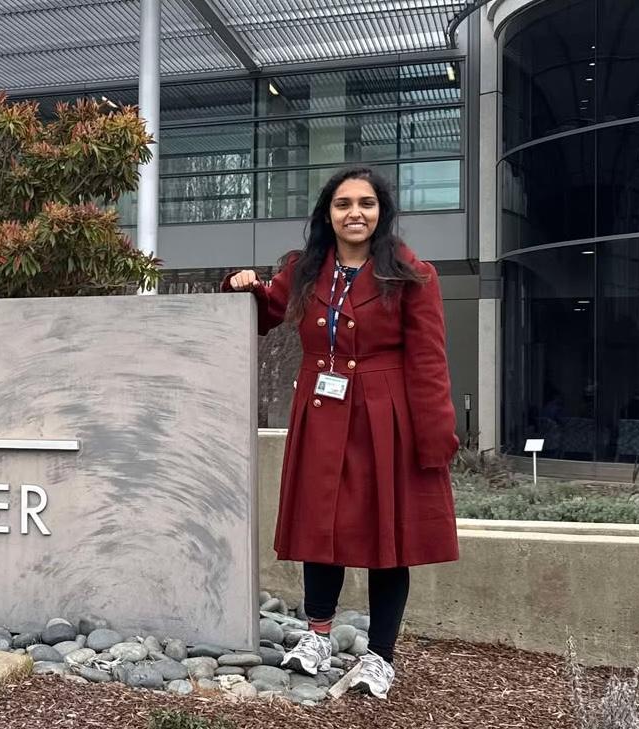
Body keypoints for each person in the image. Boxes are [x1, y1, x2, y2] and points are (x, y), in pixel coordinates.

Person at [223, 166, 460, 700]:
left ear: (382, 212)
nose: (356, 213)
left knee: (388, 537)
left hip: (386, 416)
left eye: (367, 203)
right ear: (327, 214)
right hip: (323, 411)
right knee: (319, 526)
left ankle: (380, 657)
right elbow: (265, 311)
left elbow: (428, 361)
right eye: (343, 203)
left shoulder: (412, 274)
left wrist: (434, 435)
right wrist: (244, 287)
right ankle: (318, 636)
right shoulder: (304, 270)